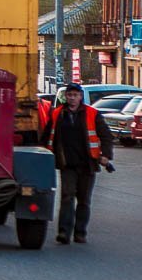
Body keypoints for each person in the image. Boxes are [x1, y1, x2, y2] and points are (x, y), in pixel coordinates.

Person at [40, 82, 115, 245]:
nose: (72, 98)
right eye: (69, 95)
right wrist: (42, 154)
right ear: (65, 96)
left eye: (75, 95)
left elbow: (106, 136)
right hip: (67, 164)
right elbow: (46, 136)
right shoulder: (57, 114)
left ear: (80, 97)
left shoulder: (92, 114)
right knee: (67, 197)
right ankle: (64, 233)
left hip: (87, 164)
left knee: (83, 200)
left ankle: (80, 233)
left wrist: (106, 155)